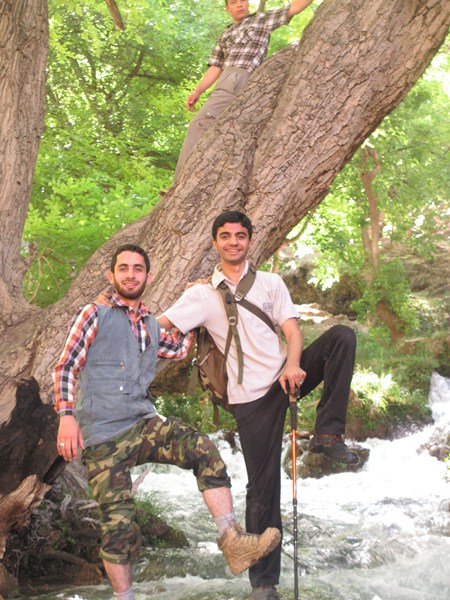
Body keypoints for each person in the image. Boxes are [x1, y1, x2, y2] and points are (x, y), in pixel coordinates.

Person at [54, 243, 281, 600]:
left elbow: (177, 349)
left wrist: (193, 302)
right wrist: (67, 416)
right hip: (102, 436)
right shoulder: (93, 314)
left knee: (202, 448)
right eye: (124, 268)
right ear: (111, 276)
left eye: (138, 269)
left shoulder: (148, 325)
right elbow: (66, 366)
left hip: (143, 423)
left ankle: (232, 539)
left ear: (148, 277)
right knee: (118, 527)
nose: (131, 275)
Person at [158, 212, 358, 600]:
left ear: (250, 240)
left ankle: (328, 435)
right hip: (249, 400)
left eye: (240, 235)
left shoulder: (271, 283)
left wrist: (294, 364)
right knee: (263, 486)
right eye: (225, 236)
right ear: (215, 243)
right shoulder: (201, 295)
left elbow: (292, 330)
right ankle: (264, 584)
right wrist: (114, 314)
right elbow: (158, 325)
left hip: (285, 378)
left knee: (341, 337)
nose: (233, 242)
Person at [173, 0, 313, 182]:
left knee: (200, 125)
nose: (239, 5)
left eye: (242, 0)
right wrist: (197, 91)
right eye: (233, 2)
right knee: (215, 130)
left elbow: (294, 8)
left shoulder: (260, 20)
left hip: (243, 77)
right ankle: (198, 181)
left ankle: (180, 183)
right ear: (227, 8)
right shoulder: (226, 33)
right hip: (226, 80)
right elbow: (216, 66)